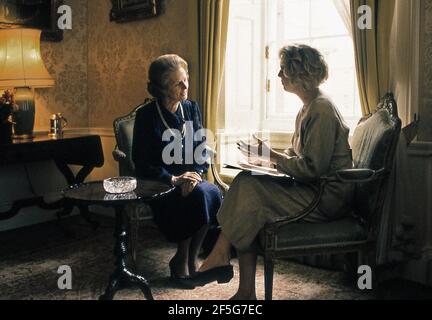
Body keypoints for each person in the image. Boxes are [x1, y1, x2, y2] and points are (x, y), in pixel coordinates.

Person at [195, 44, 354, 299]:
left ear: (298, 73)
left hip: (326, 198)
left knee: (249, 192)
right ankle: (242, 286)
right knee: (247, 183)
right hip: (312, 189)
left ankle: (221, 255)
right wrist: (265, 160)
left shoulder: (321, 109)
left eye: (283, 70)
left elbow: (313, 168)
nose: (279, 76)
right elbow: (297, 156)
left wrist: (270, 156)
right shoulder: (308, 107)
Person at [132, 54, 222, 289]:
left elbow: (200, 150)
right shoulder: (146, 116)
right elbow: (141, 163)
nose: (186, 86)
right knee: (195, 196)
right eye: (178, 83)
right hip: (159, 183)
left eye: (186, 80)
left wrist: (196, 174)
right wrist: (173, 179)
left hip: (190, 179)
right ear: (161, 89)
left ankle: (190, 258)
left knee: (209, 192)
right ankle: (182, 259)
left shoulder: (191, 108)